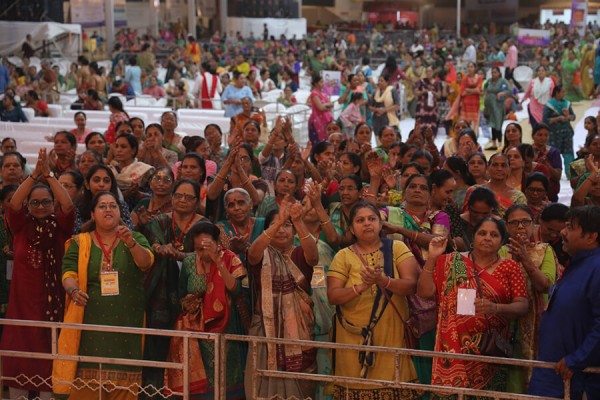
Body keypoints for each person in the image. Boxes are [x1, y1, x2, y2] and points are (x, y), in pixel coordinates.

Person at [52, 191, 153, 399]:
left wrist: (131, 243)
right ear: (92, 214)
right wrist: (74, 290)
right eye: (102, 206)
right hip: (89, 327)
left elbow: (146, 264)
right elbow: (68, 273)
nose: (108, 209)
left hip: (127, 327)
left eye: (113, 206)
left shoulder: (136, 238)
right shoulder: (80, 242)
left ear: (120, 212)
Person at [417, 218, 528, 396]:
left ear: (502, 241)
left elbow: (522, 306)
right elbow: (424, 292)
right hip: (451, 350)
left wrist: (496, 308)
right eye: (482, 233)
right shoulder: (451, 261)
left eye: (494, 235)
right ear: (473, 237)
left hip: (489, 351)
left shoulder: (510, 267)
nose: (487, 238)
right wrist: (432, 257)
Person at [1, 149, 75, 399]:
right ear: (28, 206)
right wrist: (33, 177)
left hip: (51, 308)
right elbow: (13, 203)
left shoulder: (60, 225)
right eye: (35, 202)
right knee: (18, 366)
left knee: (48, 370)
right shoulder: (21, 225)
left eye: (46, 202)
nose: (41, 206)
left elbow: (67, 204)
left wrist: (50, 176)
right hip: (21, 310)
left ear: (51, 204)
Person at [327, 201, 420, 399]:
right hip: (351, 337)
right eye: (360, 220)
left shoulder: (397, 248)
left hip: (391, 335)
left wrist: (382, 281)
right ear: (351, 228)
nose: (367, 224)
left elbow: (411, 285)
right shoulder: (343, 256)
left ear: (380, 223)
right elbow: (333, 296)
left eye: (372, 219)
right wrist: (360, 287)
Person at [138, 178, 207, 393]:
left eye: (189, 197)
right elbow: (152, 245)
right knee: (156, 347)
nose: (182, 200)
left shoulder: (205, 225)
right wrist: (159, 248)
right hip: (159, 295)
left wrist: (182, 255)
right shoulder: (159, 222)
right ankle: (153, 393)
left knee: (189, 351)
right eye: (178, 195)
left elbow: (209, 254)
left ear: (197, 201)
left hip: (193, 298)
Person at [164, 221, 247, 398]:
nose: (203, 254)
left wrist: (218, 262)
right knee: (199, 387)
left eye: (207, 247)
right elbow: (181, 293)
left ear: (218, 243)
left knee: (225, 380)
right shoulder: (189, 262)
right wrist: (190, 302)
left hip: (225, 329)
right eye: (198, 249)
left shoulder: (230, 259)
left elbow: (235, 289)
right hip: (196, 334)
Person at [245, 201, 318, 399]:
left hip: (299, 328)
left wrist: (297, 220)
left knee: (300, 387)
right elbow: (252, 255)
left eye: (287, 226)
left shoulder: (298, 253)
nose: (282, 230)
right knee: (263, 383)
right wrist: (278, 222)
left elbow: (313, 257)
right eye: (276, 225)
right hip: (265, 329)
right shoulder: (264, 254)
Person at [529, 206, 600, 399]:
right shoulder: (576, 264)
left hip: (573, 379)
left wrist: (576, 360)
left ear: (591, 237)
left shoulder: (596, 268)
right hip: (552, 376)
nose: (562, 232)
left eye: (570, 227)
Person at [500, 204, 558, 393]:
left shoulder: (544, 250)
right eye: (514, 222)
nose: (520, 227)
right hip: (505, 322)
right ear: (506, 226)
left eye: (525, 221)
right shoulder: (500, 252)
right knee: (510, 377)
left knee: (535, 375)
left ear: (534, 224)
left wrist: (525, 258)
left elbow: (544, 285)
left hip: (537, 323)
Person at [463, 153, 526, 218]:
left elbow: (520, 220)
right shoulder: (474, 190)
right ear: (488, 167)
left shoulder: (518, 197)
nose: (499, 169)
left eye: (503, 165)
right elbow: (466, 218)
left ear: (509, 169)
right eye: (495, 165)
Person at [543, 85, 576, 174]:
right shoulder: (549, 105)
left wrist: (568, 116)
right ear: (557, 93)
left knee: (568, 153)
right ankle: (553, 174)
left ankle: (570, 175)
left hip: (566, 133)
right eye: (563, 92)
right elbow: (545, 120)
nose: (564, 94)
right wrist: (557, 119)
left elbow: (573, 117)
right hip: (554, 134)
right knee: (553, 154)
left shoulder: (567, 103)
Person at [484, 67, 511, 150]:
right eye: (492, 72)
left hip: (498, 106)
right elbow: (485, 88)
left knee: (498, 124)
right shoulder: (489, 81)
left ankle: (500, 145)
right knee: (492, 124)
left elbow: (509, 91)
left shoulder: (503, 81)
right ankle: (494, 144)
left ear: (499, 73)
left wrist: (502, 93)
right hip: (490, 107)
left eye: (495, 72)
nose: (493, 74)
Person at [308, 75, 334, 144]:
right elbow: (320, 107)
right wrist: (327, 105)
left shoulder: (323, 94)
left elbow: (331, 105)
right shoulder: (314, 93)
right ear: (316, 83)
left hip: (326, 119)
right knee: (318, 143)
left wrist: (326, 105)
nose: (323, 83)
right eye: (321, 82)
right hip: (317, 120)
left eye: (323, 82)